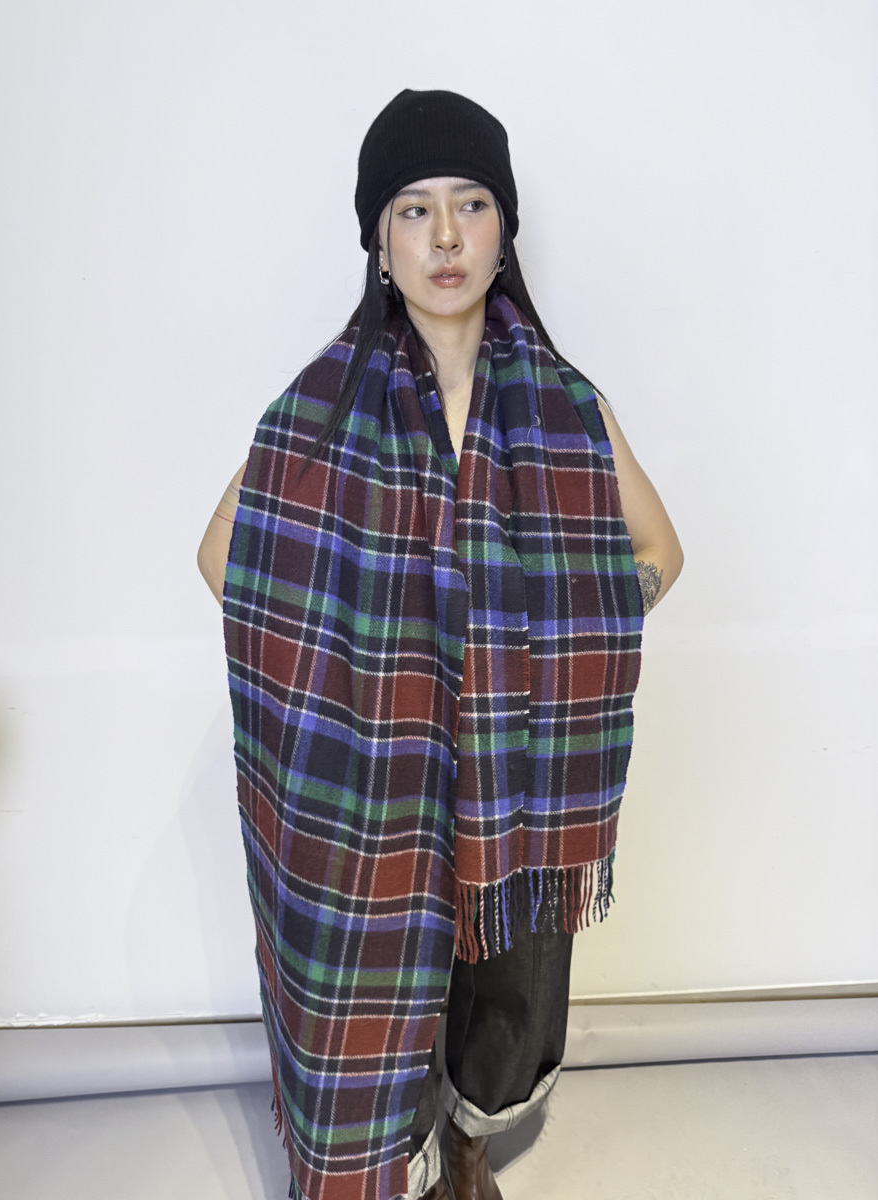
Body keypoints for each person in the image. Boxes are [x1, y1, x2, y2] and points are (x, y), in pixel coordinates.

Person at [198, 89, 682, 1200]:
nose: (447, 236)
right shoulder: (318, 416)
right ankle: (390, 1155)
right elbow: (227, 558)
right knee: (376, 963)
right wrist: (355, 676)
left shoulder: (567, 410)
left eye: (472, 204)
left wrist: (552, 651)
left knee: (506, 972)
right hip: (380, 768)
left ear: (504, 229)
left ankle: (465, 1139)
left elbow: (659, 551)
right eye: (415, 209)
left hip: (519, 766)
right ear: (380, 240)